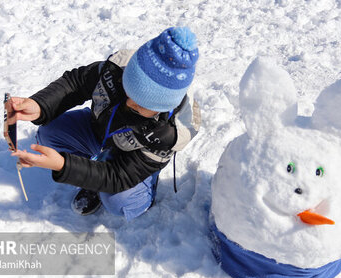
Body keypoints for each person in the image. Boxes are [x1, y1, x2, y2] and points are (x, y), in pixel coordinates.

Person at [10, 26, 200, 220]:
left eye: (140, 103)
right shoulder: (116, 69)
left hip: (130, 159)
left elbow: (120, 175)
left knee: (120, 202)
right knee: (49, 135)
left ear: (162, 108)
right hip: (99, 128)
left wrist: (64, 165)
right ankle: (96, 171)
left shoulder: (168, 133)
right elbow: (76, 83)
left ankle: (143, 190)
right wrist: (40, 104)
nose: (128, 102)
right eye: (128, 89)